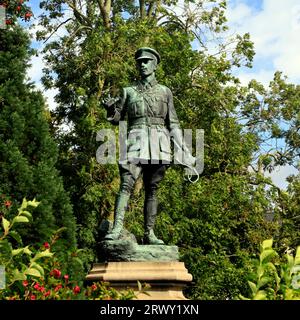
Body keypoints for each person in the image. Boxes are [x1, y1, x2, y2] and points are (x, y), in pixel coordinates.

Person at [103, 47, 194, 245]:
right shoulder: (128, 91)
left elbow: (174, 123)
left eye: (146, 61)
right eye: (140, 62)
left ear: (155, 65)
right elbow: (117, 119)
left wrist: (184, 150)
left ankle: (149, 233)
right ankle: (117, 228)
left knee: (152, 189)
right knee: (126, 184)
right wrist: (111, 109)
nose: (142, 64)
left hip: (159, 142)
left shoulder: (165, 92)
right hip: (135, 141)